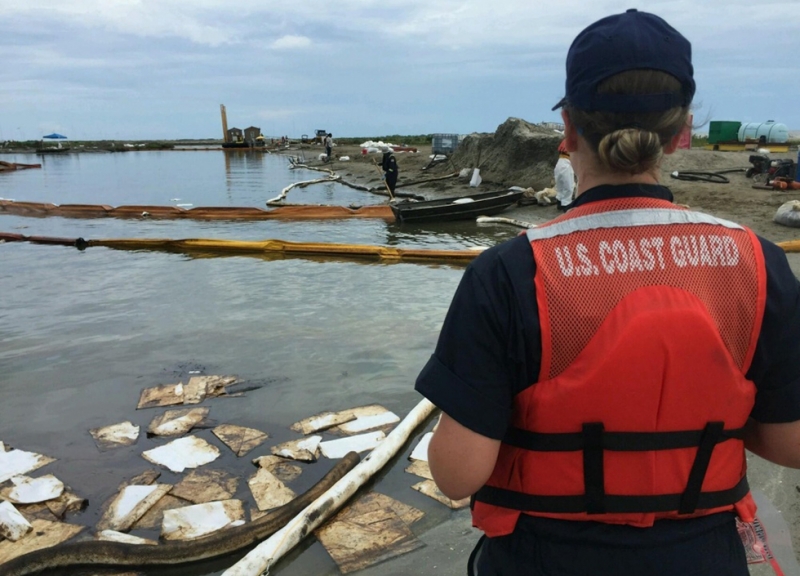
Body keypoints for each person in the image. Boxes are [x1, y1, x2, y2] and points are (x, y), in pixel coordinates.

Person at [414, 9, 800, 576]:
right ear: (683, 131)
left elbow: (456, 476)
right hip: (704, 557)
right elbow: (791, 444)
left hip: (542, 559)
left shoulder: (509, 272)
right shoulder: (758, 263)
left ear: (569, 130)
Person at [554, 139, 575, 211]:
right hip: (566, 162)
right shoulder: (575, 139)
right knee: (568, 185)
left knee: (560, 184)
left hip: (560, 161)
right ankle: (566, 205)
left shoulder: (567, 139)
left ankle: (559, 202)